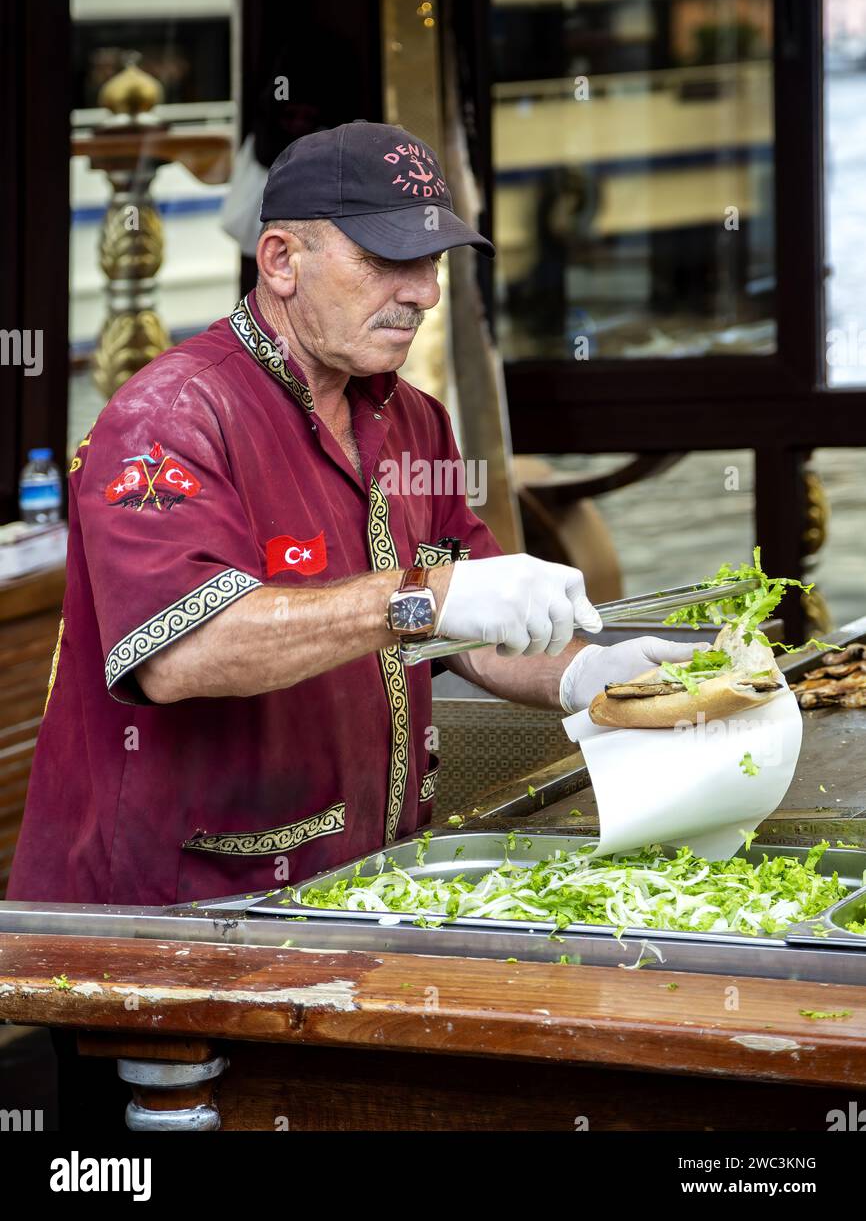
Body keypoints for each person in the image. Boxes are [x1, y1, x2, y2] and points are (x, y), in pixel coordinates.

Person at [8, 120, 694, 907]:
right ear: (281, 260)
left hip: (360, 882)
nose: (424, 292)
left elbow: (473, 629)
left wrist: (585, 673)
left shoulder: (414, 419)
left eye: (431, 262)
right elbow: (182, 653)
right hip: (176, 911)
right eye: (385, 261)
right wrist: (426, 597)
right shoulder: (170, 415)